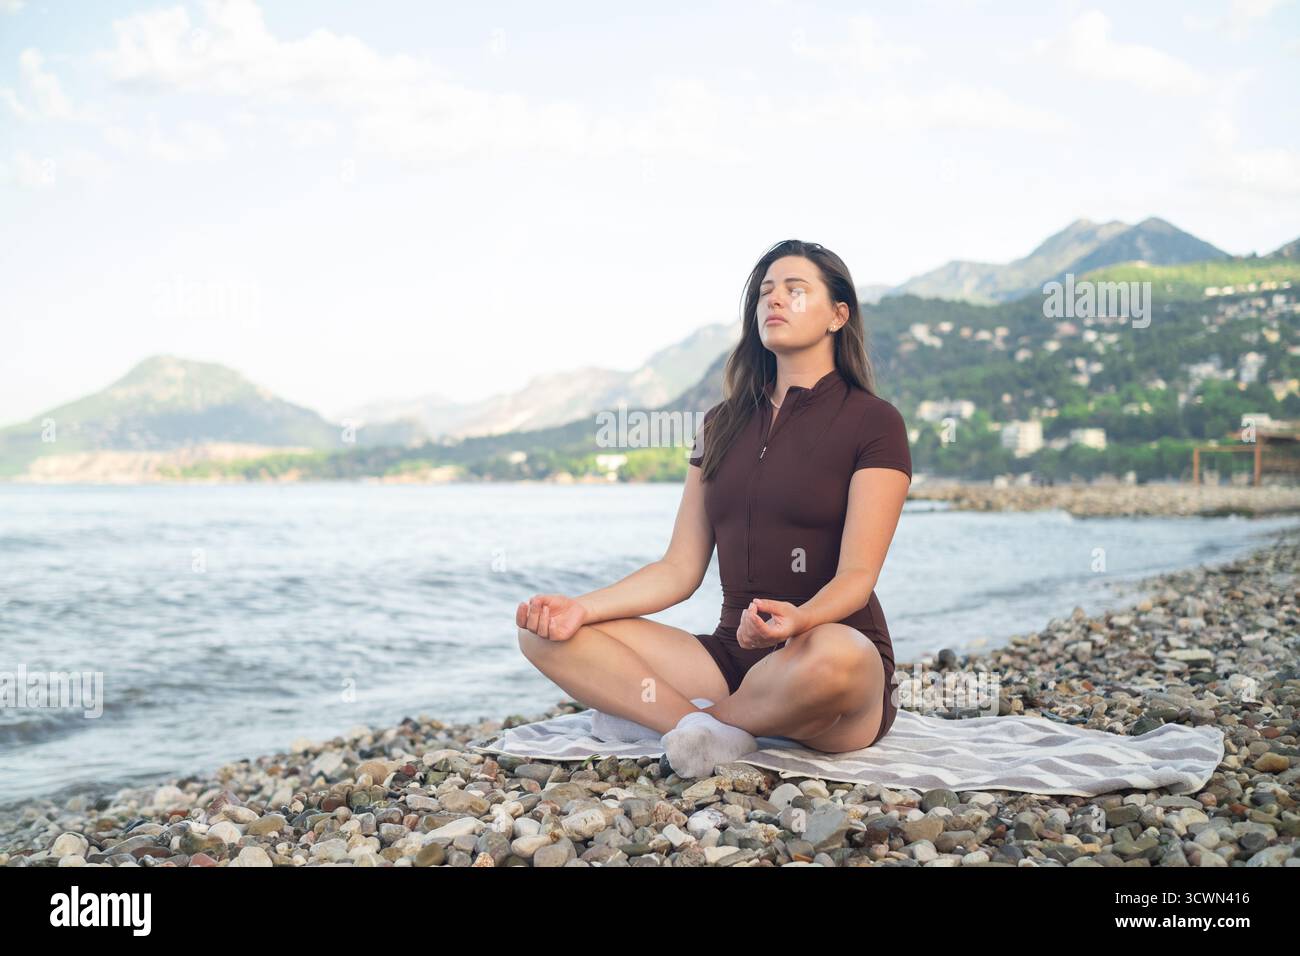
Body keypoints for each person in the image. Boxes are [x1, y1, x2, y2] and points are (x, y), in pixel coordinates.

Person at [516, 239, 912, 778]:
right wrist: (581, 609)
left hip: (828, 653)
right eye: (766, 291)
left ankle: (682, 722)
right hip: (729, 661)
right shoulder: (721, 423)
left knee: (834, 655)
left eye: (796, 291)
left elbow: (858, 577)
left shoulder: (874, 421)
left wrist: (799, 619)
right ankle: (700, 728)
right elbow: (678, 569)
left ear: (837, 315)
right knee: (544, 634)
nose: (775, 300)